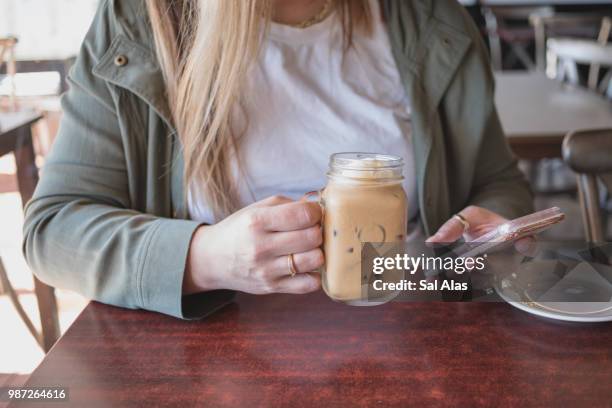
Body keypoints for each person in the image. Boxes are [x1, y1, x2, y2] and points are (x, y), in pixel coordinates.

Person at [22, 0, 533, 319]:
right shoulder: (138, 22)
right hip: (210, 359)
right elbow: (53, 230)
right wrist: (205, 258)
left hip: (411, 337)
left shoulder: (433, 19)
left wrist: (486, 227)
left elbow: (498, 182)